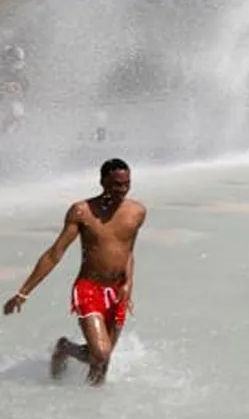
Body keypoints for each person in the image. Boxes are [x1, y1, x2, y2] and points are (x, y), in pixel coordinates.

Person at [3, 159, 146, 386]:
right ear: (102, 182)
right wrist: (23, 293)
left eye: (127, 184)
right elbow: (54, 253)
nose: (122, 190)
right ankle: (65, 347)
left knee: (101, 363)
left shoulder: (137, 212)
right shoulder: (82, 212)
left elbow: (128, 251)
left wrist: (128, 283)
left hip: (118, 290)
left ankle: (93, 404)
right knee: (101, 353)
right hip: (89, 288)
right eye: (116, 184)